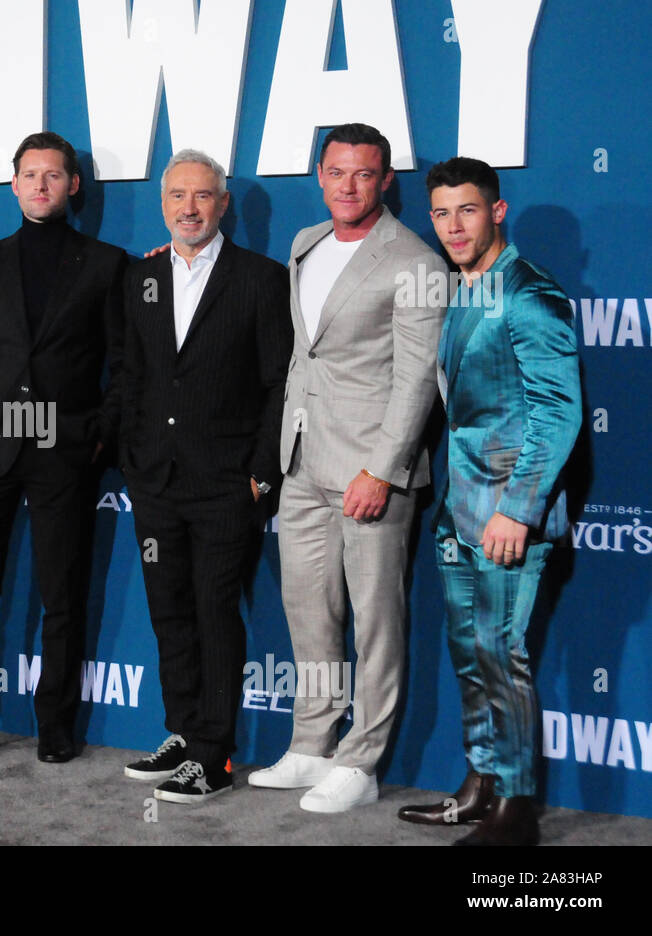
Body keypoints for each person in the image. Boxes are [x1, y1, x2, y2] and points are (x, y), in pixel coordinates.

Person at [248, 124, 445, 812]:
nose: (349, 186)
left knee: (377, 619)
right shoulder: (305, 243)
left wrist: (383, 470)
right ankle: (311, 742)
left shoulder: (413, 259)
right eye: (337, 172)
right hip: (301, 459)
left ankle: (361, 762)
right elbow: (309, 357)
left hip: (370, 469)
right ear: (320, 174)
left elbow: (418, 379)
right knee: (310, 612)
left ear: (385, 180)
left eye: (364, 174)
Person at [0, 131, 127, 767]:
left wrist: (96, 434)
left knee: (62, 596)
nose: (41, 185)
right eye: (30, 175)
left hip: (63, 452)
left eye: (53, 175)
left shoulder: (105, 264)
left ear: (73, 186)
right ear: (13, 185)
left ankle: (55, 726)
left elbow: (123, 365)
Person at [398, 157, 581, 845]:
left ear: (497, 212)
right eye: (441, 213)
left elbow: (558, 413)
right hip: (462, 504)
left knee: (503, 653)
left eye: (467, 211)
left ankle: (515, 810)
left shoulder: (530, 294)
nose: (453, 226)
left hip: (509, 513)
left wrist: (519, 507)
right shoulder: (461, 287)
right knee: (471, 650)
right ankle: (481, 783)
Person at [118, 150, 293, 803]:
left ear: (223, 205)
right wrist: (131, 460)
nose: (189, 207)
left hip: (227, 484)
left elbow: (280, 383)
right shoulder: (140, 279)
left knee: (216, 611)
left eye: (202, 196)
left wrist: (258, 474)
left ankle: (216, 757)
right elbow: (129, 374)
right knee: (171, 612)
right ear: (164, 203)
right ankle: (185, 732)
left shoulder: (261, 279)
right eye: (177, 196)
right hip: (155, 480)